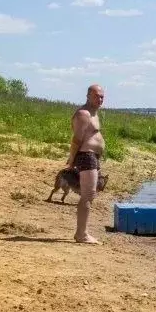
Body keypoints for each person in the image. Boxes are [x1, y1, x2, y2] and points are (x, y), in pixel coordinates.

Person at [67, 84, 105, 244]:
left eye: (102, 96)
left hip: (92, 157)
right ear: (88, 95)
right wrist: (71, 159)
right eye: (97, 96)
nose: (100, 99)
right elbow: (77, 139)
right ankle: (81, 234)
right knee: (88, 195)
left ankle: (82, 232)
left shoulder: (94, 114)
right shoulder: (83, 114)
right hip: (86, 156)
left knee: (89, 195)